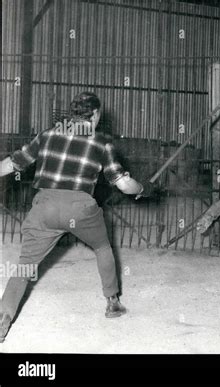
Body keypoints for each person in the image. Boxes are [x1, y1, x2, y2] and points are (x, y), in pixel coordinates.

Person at [0, 91, 151, 343]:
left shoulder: (47, 134)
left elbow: (11, 164)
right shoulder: (102, 142)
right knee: (103, 247)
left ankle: (3, 319)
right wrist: (142, 189)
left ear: (72, 113)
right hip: (81, 209)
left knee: (25, 265)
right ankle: (112, 302)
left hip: (44, 207)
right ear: (94, 114)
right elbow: (123, 184)